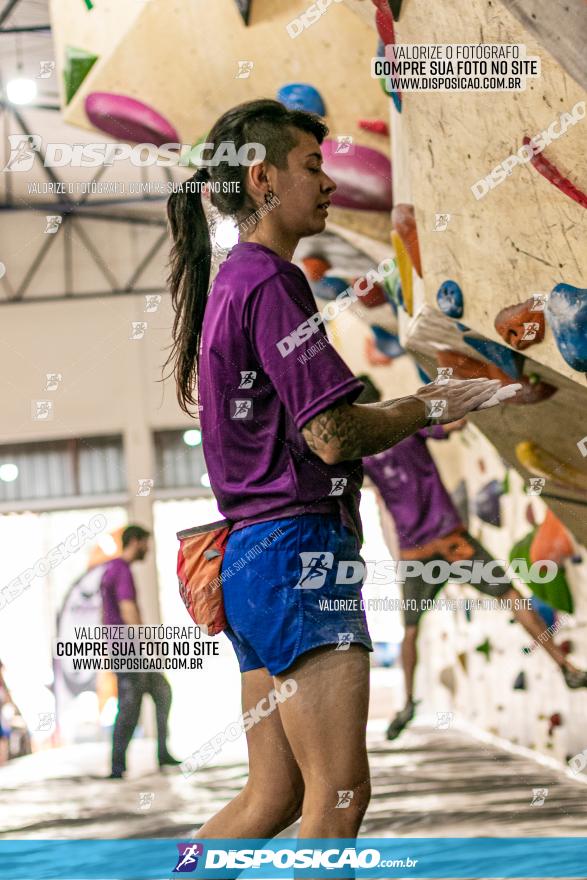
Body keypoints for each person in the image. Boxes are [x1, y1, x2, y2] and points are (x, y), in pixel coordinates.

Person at [165, 98, 511, 839]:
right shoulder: (272, 283)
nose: (329, 184)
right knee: (339, 794)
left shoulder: (233, 281)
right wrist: (427, 403)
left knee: (274, 798)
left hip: (251, 559)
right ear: (262, 179)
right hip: (297, 552)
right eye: (312, 166)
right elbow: (331, 433)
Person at [357, 376, 587, 742]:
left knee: (412, 631)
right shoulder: (407, 429)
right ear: (381, 396)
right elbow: (453, 423)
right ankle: (565, 665)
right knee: (512, 596)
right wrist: (476, 394)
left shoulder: (362, 454)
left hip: (417, 552)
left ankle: (407, 700)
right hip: (453, 542)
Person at [100, 524, 179, 778]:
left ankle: (161, 754)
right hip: (127, 649)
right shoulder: (121, 570)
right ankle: (117, 766)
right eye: (145, 543)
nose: (148, 548)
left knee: (161, 691)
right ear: (134, 541)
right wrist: (147, 641)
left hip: (122, 646)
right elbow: (128, 609)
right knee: (130, 706)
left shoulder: (112, 568)